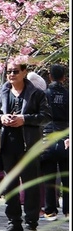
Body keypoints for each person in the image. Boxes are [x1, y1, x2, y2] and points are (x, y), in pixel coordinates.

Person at [0, 56, 51, 231]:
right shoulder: (2, 92)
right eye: (9, 71)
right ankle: (14, 222)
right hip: (7, 144)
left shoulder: (36, 93)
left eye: (15, 71)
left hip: (29, 145)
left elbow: (46, 116)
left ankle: (31, 223)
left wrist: (24, 119)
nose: (11, 74)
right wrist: (1, 118)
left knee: (30, 185)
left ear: (24, 72)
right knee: (9, 185)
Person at [39, 64, 69, 220]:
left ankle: (50, 210)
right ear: (64, 77)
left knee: (49, 176)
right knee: (67, 176)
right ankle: (68, 210)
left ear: (49, 76)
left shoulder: (44, 95)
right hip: (66, 136)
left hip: (47, 136)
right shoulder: (68, 94)